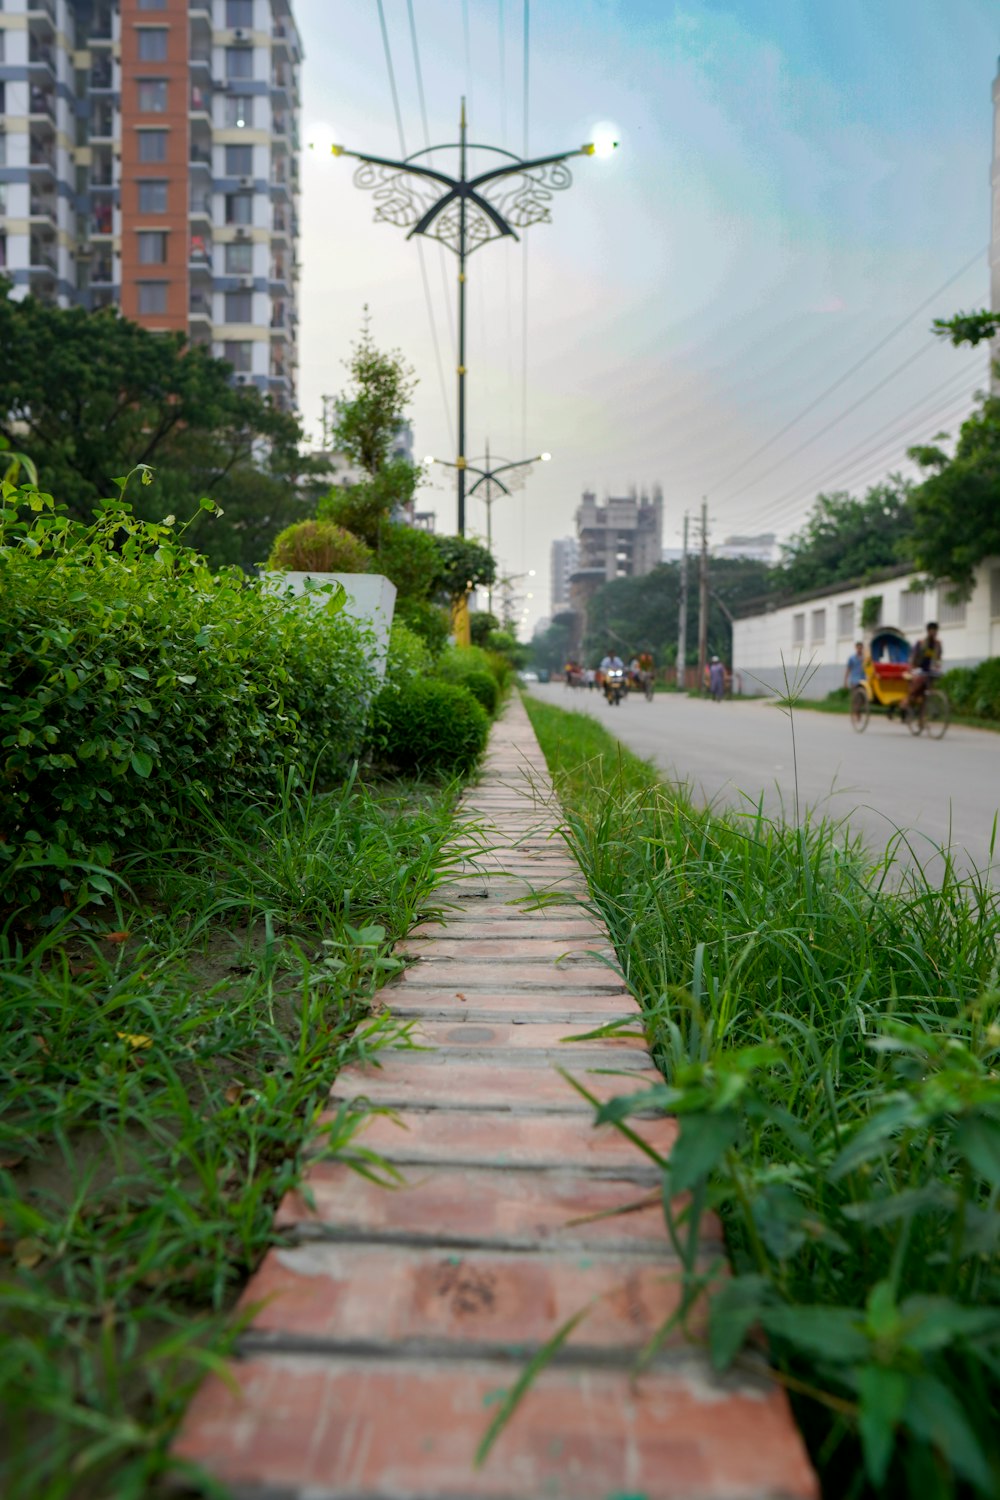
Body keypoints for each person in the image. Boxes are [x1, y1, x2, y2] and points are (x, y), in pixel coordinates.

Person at [902, 622, 942, 717]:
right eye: (932, 630)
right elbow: (913, 657)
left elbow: (938, 658)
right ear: (928, 631)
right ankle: (906, 703)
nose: (934, 632)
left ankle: (923, 716)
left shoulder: (937, 644)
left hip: (929, 671)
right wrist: (911, 669)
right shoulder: (921, 643)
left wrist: (937, 666)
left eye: (935, 630)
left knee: (927, 693)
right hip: (918, 669)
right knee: (915, 690)